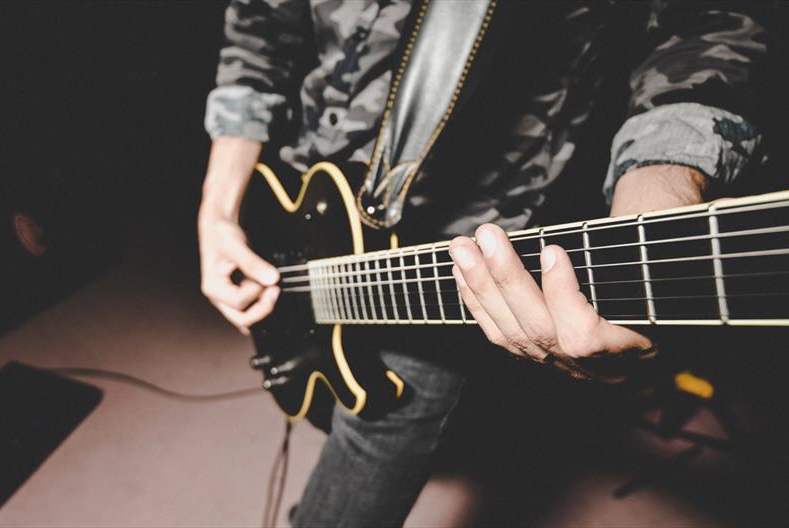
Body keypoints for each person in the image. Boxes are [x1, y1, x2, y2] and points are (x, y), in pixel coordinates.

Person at [198, 1, 770, 525]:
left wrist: (653, 214)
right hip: (300, 197)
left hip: (457, 257)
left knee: (358, 483)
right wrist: (217, 211)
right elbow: (257, 31)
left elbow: (704, 27)